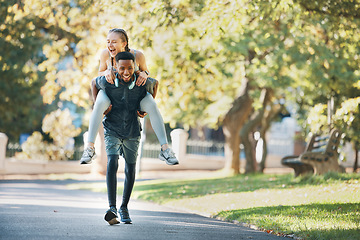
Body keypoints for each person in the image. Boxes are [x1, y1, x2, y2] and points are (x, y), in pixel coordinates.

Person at [80, 28, 178, 165]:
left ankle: (165, 150)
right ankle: (89, 148)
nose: (109, 45)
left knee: (152, 105)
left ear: (124, 43)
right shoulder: (105, 55)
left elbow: (146, 71)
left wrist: (145, 74)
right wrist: (106, 72)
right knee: (99, 104)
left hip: (134, 95)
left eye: (114, 42)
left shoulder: (138, 55)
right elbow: (99, 73)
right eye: (108, 42)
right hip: (111, 94)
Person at [95, 51, 146, 225]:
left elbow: (154, 86)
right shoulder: (107, 81)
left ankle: (124, 207)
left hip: (132, 130)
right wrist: (99, 106)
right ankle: (112, 207)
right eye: (122, 68)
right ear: (115, 67)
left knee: (130, 169)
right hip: (112, 128)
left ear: (135, 67)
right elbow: (93, 83)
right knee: (112, 162)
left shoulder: (140, 82)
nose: (126, 72)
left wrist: (144, 110)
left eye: (130, 68)